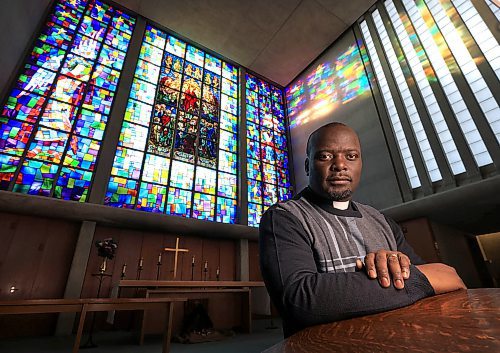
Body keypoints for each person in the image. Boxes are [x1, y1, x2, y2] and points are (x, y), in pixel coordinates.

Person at [259, 122, 465, 338]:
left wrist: (401, 270)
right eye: (325, 156)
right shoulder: (284, 217)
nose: (340, 165)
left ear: (360, 164)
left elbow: (431, 275)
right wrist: (414, 281)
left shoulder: (381, 220)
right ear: (308, 166)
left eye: (351, 156)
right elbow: (299, 300)